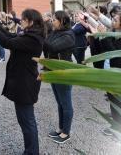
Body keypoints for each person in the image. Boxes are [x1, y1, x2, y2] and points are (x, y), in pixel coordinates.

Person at [0, 9, 45, 155]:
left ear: (31, 22)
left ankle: (32, 152)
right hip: (23, 82)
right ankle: (31, 150)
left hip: (25, 84)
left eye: (24, 19)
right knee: (25, 120)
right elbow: (11, 36)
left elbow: (7, 42)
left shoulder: (32, 38)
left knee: (27, 121)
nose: (21, 21)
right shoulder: (31, 34)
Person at [89, 12, 121, 136]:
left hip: (120, 73)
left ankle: (119, 128)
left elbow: (114, 53)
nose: (112, 21)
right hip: (109, 71)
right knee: (112, 99)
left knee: (119, 101)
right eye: (113, 19)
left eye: (115, 19)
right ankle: (117, 123)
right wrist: (95, 36)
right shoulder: (113, 33)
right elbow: (101, 50)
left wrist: (104, 36)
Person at [43, 10, 75, 144]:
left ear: (62, 21)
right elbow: (47, 46)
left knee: (66, 104)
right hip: (53, 71)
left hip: (63, 73)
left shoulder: (69, 35)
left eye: (54, 19)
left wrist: (40, 36)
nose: (52, 21)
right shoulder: (55, 32)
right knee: (60, 102)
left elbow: (52, 47)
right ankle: (61, 128)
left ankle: (66, 132)